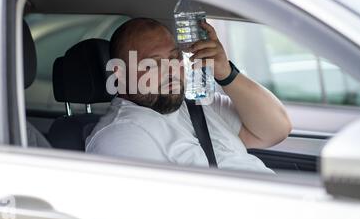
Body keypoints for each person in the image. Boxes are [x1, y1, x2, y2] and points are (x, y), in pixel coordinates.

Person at [85, 18, 292, 173]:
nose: (172, 69)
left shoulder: (199, 104)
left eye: (174, 57)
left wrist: (226, 74)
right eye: (154, 63)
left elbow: (276, 129)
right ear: (120, 74)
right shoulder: (121, 135)